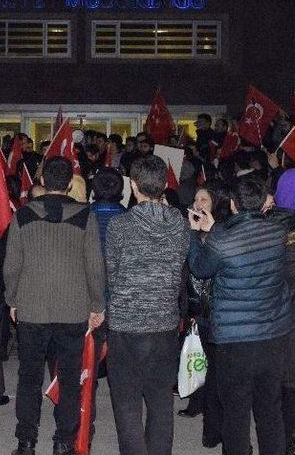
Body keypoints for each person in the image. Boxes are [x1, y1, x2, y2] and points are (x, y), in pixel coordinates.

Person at [3, 156, 105, 455]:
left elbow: (11, 266)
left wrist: (12, 299)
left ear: (43, 181)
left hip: (32, 307)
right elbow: (95, 268)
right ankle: (63, 441)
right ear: (71, 183)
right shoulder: (86, 217)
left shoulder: (21, 216)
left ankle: (26, 440)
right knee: (70, 377)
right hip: (73, 309)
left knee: (29, 376)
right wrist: (97, 305)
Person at [189, 175, 292, 455]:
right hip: (273, 335)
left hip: (234, 341)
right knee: (270, 410)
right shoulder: (277, 232)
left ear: (233, 204)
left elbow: (200, 269)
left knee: (235, 412)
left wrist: (196, 236)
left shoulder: (222, 239)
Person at [105, 155, 190, 455]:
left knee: (127, 404)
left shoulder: (119, 226)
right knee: (160, 402)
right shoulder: (180, 225)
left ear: (132, 185)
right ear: (165, 185)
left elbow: (112, 276)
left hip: (125, 325)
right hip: (164, 324)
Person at [180, 181, 231, 451]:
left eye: (205, 200)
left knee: (215, 374)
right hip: (199, 313)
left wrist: (202, 234)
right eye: (197, 200)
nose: (198, 205)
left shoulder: (220, 234)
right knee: (203, 367)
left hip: (217, 315)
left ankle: (212, 430)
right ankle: (205, 420)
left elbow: (203, 271)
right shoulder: (192, 232)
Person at [267, 169, 295, 455]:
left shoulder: (265, 228)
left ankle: (279, 442)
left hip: (266, 325)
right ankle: (290, 443)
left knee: (272, 394)